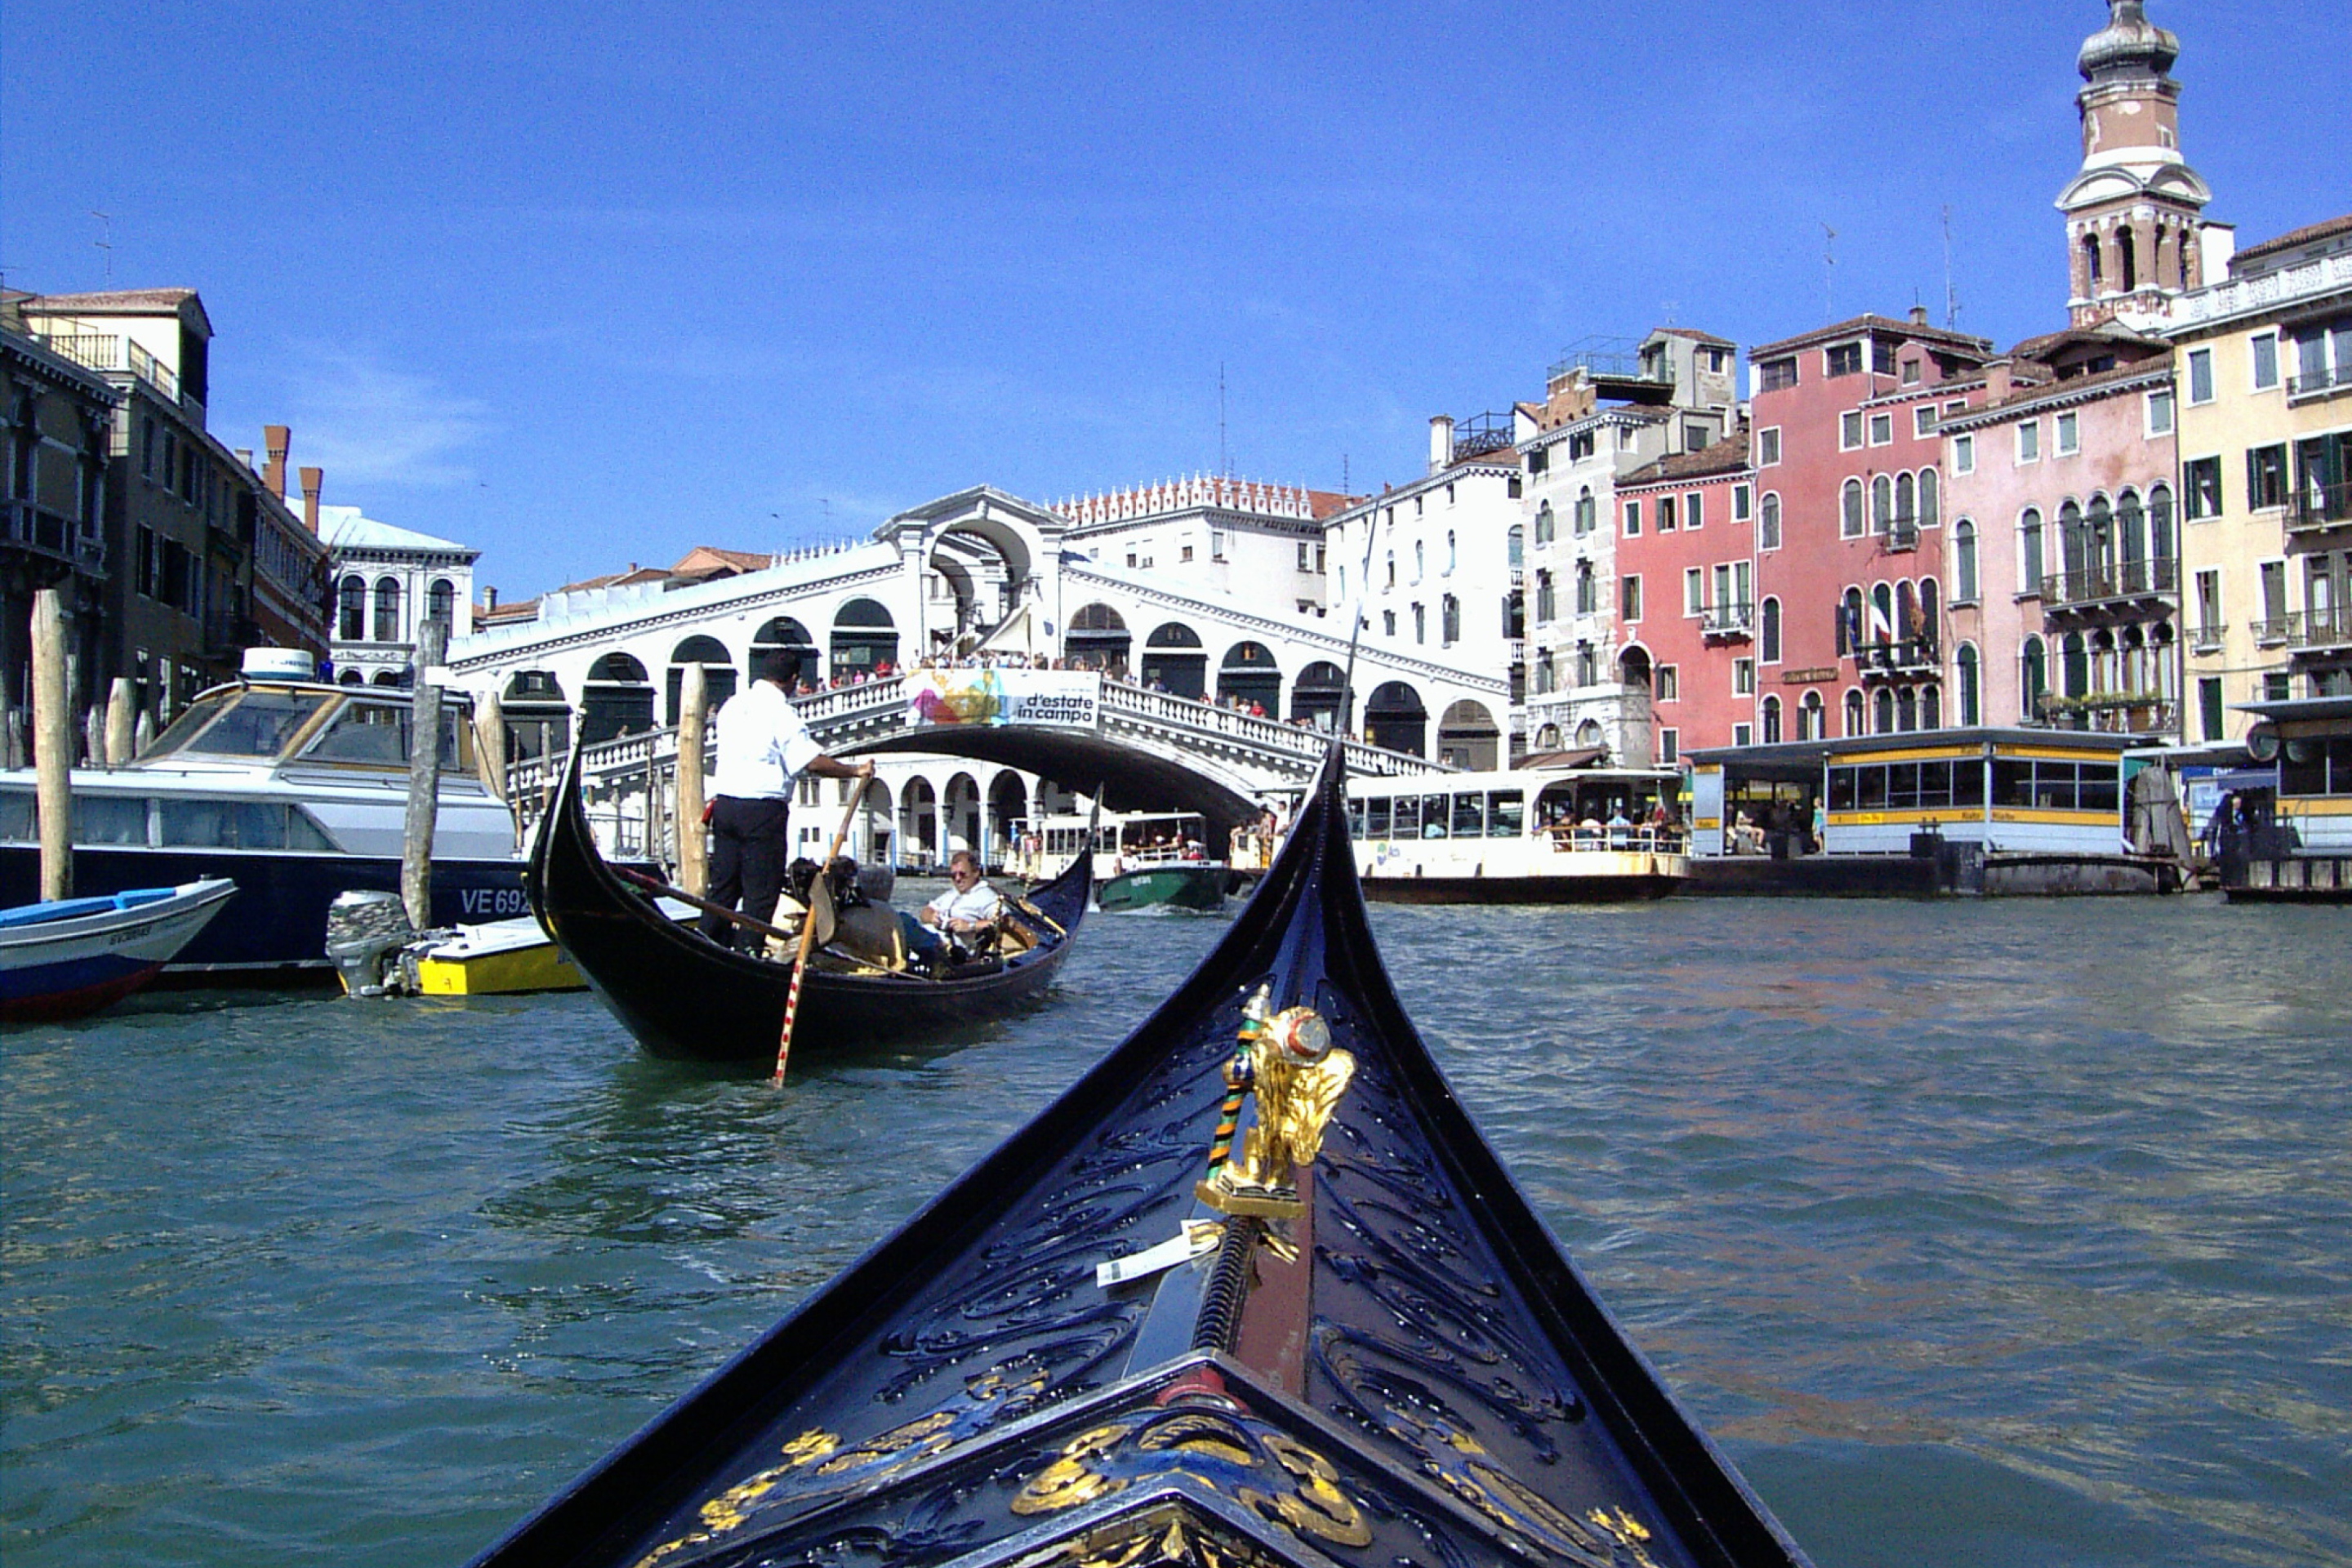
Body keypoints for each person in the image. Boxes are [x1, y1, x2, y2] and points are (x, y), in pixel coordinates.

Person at [700, 649, 873, 950]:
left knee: (723, 890)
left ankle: (705, 944)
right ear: (793, 679)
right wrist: (855, 770)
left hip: (725, 807)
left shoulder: (732, 705)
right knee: (761, 893)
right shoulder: (781, 713)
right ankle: (747, 953)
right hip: (761, 811)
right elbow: (812, 762)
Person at [904, 849, 1003, 966]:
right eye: (953, 875)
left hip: (958, 953)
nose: (957, 879)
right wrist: (932, 917)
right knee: (903, 920)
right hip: (935, 944)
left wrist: (970, 926)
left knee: (904, 921)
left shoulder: (988, 897)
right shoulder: (951, 895)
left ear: (976, 872)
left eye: (962, 874)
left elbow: (1002, 922)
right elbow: (925, 912)